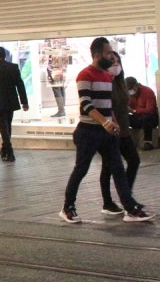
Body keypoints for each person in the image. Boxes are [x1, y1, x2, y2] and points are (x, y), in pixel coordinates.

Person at [60, 38, 154, 223]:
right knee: (81, 169)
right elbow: (86, 104)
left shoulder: (106, 76)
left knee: (118, 169)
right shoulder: (85, 75)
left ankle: (130, 209)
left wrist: (114, 121)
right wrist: (105, 122)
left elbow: (107, 105)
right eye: (108, 53)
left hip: (107, 132)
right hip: (88, 131)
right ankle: (67, 207)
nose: (111, 56)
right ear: (97, 54)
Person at [100, 54, 138, 216]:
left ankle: (126, 197)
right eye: (112, 61)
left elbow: (123, 103)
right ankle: (109, 202)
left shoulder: (120, 82)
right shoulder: (104, 83)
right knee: (108, 167)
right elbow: (106, 107)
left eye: (117, 61)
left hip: (124, 129)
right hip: (110, 130)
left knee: (134, 161)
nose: (115, 64)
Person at [0, 46, 28, 162]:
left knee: (3, 126)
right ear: (5, 55)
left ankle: (9, 151)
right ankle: (5, 149)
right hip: (11, 101)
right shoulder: (13, 67)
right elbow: (20, 85)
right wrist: (24, 102)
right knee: (7, 124)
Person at [126, 77, 158, 150]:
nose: (130, 91)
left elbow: (149, 110)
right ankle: (124, 141)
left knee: (147, 117)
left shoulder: (148, 92)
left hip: (150, 119)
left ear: (136, 86)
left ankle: (148, 143)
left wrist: (134, 111)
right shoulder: (128, 94)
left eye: (130, 89)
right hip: (137, 118)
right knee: (123, 118)